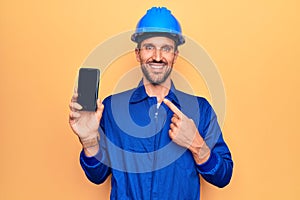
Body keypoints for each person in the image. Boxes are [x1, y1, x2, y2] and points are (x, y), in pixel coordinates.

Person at [69, 7, 233, 200]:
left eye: (166, 48)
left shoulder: (201, 109)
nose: (157, 56)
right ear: (138, 54)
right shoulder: (112, 108)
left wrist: (196, 144)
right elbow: (97, 176)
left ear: (175, 55)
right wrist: (88, 140)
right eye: (149, 47)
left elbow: (223, 176)